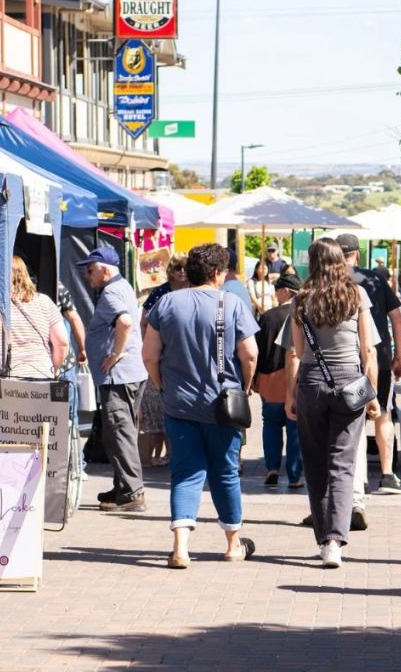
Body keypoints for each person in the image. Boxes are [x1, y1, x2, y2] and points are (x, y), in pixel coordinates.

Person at [141, 242, 259, 567]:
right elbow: (250, 353)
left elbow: (149, 354)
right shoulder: (231, 304)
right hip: (223, 405)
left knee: (184, 473)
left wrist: (162, 383)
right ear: (218, 273)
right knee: (225, 473)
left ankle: (180, 547)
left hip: (178, 403)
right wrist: (245, 386)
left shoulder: (165, 303)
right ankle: (234, 544)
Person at [284, 238, 380, 567]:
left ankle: (325, 537)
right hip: (350, 382)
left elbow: (296, 353)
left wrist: (289, 394)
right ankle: (337, 540)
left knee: (314, 463)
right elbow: (368, 351)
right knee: (343, 464)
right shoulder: (356, 295)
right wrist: (373, 395)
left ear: (312, 262)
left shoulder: (300, 299)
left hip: (312, 382)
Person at [337, 233, 401, 500]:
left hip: (343, 361)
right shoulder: (375, 279)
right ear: (357, 254)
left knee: (349, 418)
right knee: (383, 413)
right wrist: (400, 355)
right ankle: (387, 474)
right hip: (376, 359)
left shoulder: (328, 281)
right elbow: (398, 320)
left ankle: (355, 478)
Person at [79, 245, 147, 513]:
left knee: (119, 433)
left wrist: (116, 353)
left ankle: (131, 493)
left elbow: (127, 322)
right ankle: (123, 486)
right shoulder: (123, 286)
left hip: (120, 376)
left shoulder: (110, 293)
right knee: (121, 431)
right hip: (128, 374)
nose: (87, 276)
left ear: (105, 270)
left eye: (91, 270)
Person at [0, 257, 69, 379]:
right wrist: (53, 370)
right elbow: (62, 343)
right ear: (25, 274)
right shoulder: (45, 302)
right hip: (39, 379)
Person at [138, 254, 188, 468]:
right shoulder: (161, 292)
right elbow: (144, 321)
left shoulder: (193, 291)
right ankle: (155, 456)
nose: (181, 272)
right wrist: (150, 344)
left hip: (184, 355)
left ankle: (173, 452)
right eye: (177, 268)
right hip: (161, 356)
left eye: (184, 268)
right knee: (159, 406)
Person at [256, 273, 303, 490]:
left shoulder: (268, 317)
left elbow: (256, 351)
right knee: (295, 428)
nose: (274, 293)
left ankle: (272, 468)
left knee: (271, 425)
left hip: (269, 380)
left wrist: (253, 380)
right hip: (295, 379)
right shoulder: (303, 315)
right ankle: (294, 476)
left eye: (276, 289)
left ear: (285, 291)